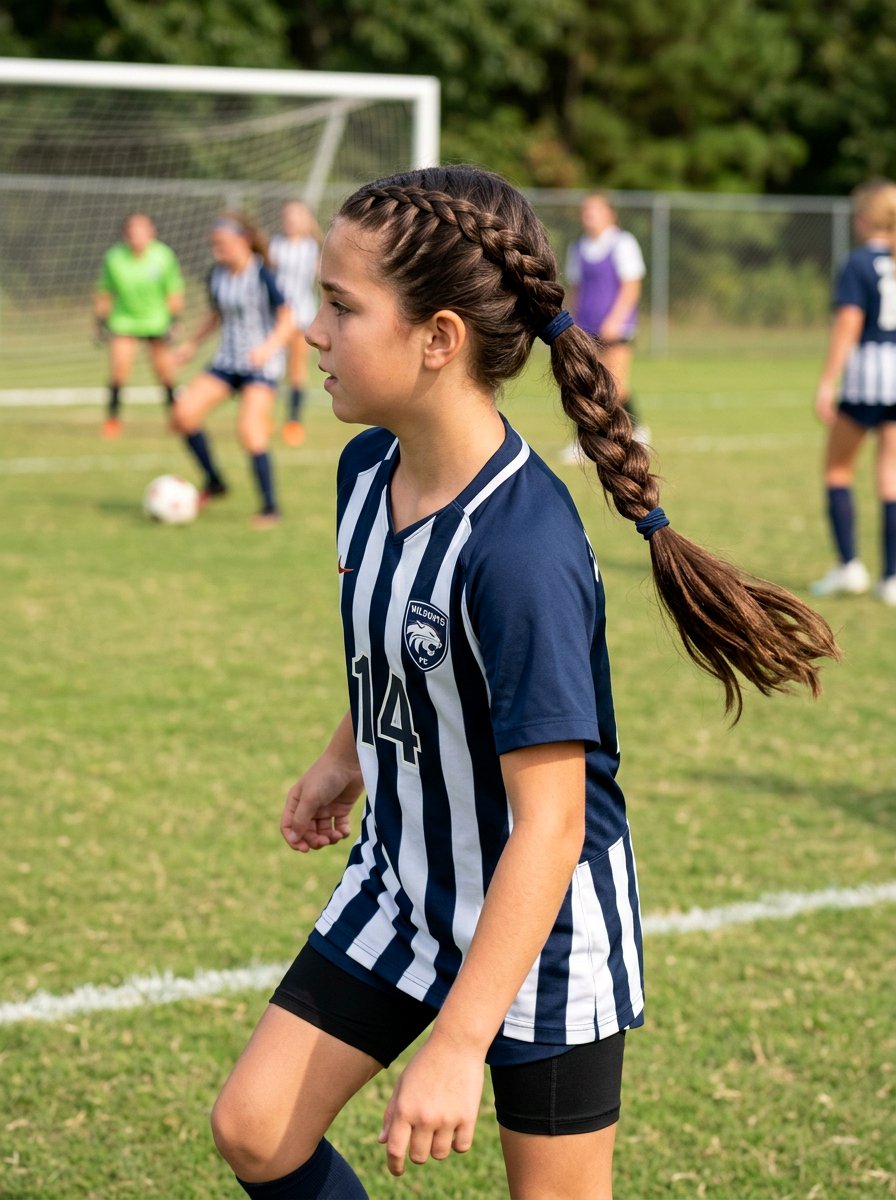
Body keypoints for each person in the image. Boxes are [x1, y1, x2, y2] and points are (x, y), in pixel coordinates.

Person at [208, 167, 838, 1200]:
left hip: (542, 929)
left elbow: (548, 824)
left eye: (339, 305)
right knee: (255, 1129)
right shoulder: (366, 472)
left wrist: (460, 1041)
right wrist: (342, 758)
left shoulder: (520, 546)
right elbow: (397, 638)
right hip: (404, 883)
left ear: (438, 338)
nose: (310, 331)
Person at [170, 213, 294, 529]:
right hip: (227, 362)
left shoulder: (262, 275)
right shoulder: (218, 275)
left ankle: (270, 508)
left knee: (250, 431)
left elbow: (287, 321)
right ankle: (214, 481)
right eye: (214, 245)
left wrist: (267, 348)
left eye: (222, 244)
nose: (217, 251)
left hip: (260, 366)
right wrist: (190, 346)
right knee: (183, 415)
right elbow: (215, 315)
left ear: (243, 241)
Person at [810, 179, 896, 605]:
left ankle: (850, 567)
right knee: (891, 478)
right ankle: (892, 577)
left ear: (864, 219)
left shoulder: (859, 262)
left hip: (866, 378)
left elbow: (848, 327)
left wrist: (827, 382)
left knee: (838, 471)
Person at [561, 192, 648, 462]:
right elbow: (577, 288)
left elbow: (631, 285)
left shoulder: (622, 243)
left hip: (616, 328)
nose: (588, 215)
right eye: (586, 210)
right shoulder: (578, 247)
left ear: (610, 214)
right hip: (587, 327)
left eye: (595, 210)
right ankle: (590, 441)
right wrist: (572, 323)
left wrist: (616, 318)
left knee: (616, 386)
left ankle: (636, 430)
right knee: (589, 385)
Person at [93, 212, 184, 439]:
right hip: (124, 321)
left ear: (152, 232)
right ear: (125, 234)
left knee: (165, 374)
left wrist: (175, 320)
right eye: (132, 231)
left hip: (156, 321)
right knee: (119, 369)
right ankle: (113, 420)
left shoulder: (163, 256)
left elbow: (173, 291)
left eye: (142, 230)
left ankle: (177, 419)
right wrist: (100, 322)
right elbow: (105, 292)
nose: (137, 236)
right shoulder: (114, 258)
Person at [269, 200, 323, 446]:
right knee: (271, 368)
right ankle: (264, 416)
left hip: (301, 317)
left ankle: (293, 421)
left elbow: (323, 278)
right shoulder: (275, 246)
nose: (289, 221)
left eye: (294, 217)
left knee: (296, 371)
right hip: (277, 318)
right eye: (286, 216)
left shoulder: (312, 248)